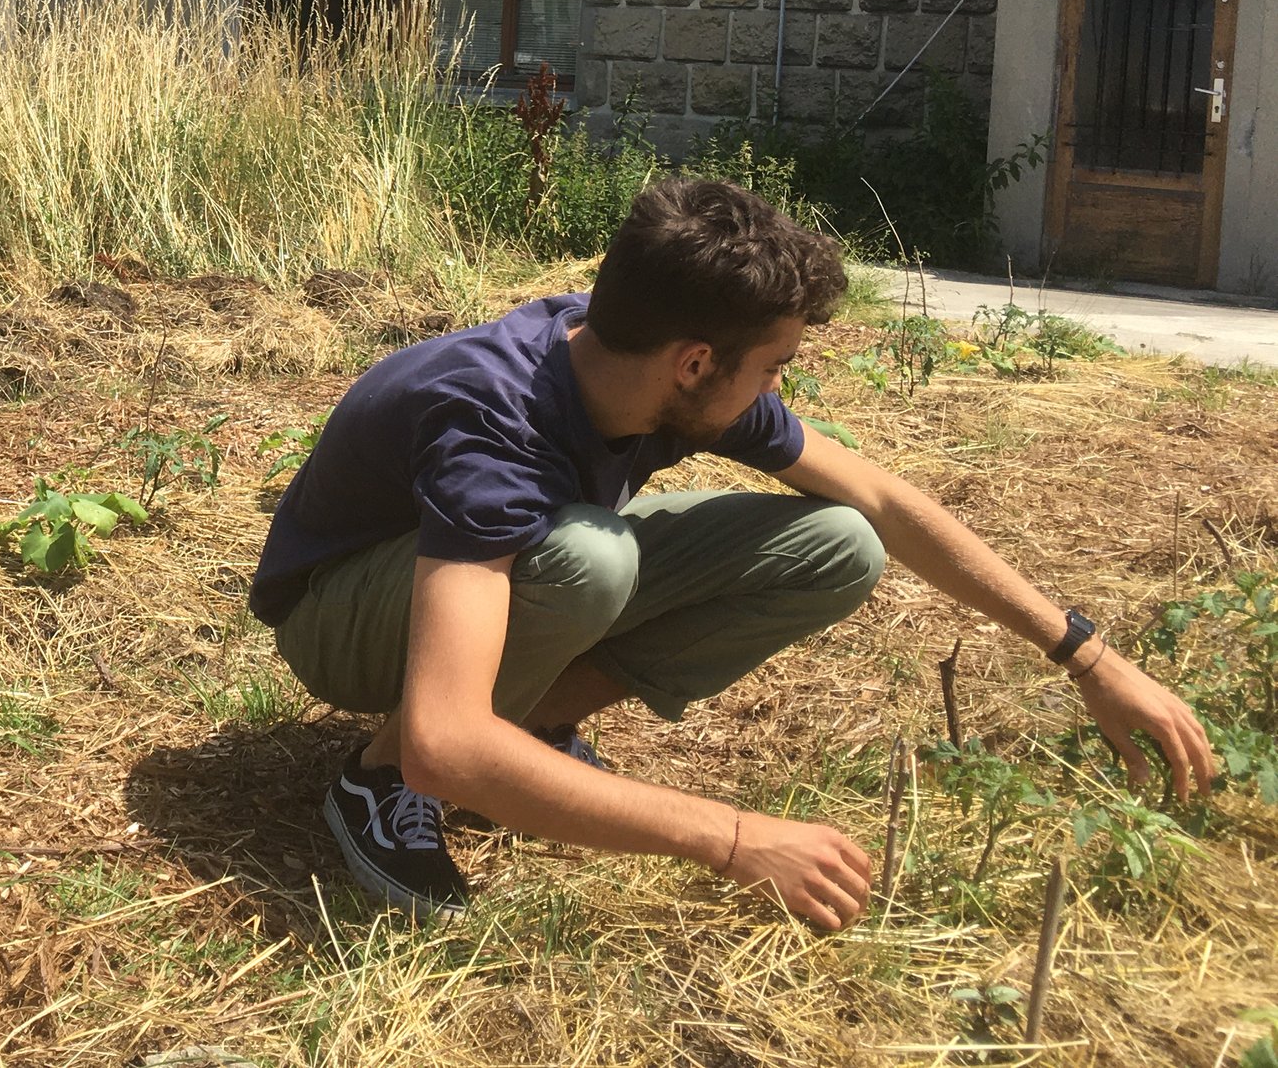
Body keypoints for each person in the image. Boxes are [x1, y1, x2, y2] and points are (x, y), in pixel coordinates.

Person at [252, 177, 1216, 929]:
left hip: (476, 577)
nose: (776, 390)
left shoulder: (642, 360)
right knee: (588, 562)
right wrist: (734, 838)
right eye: (773, 367)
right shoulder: (492, 424)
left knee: (837, 543)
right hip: (339, 617)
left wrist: (1085, 654)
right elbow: (446, 737)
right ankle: (378, 782)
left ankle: (528, 728)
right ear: (694, 363)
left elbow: (884, 501)